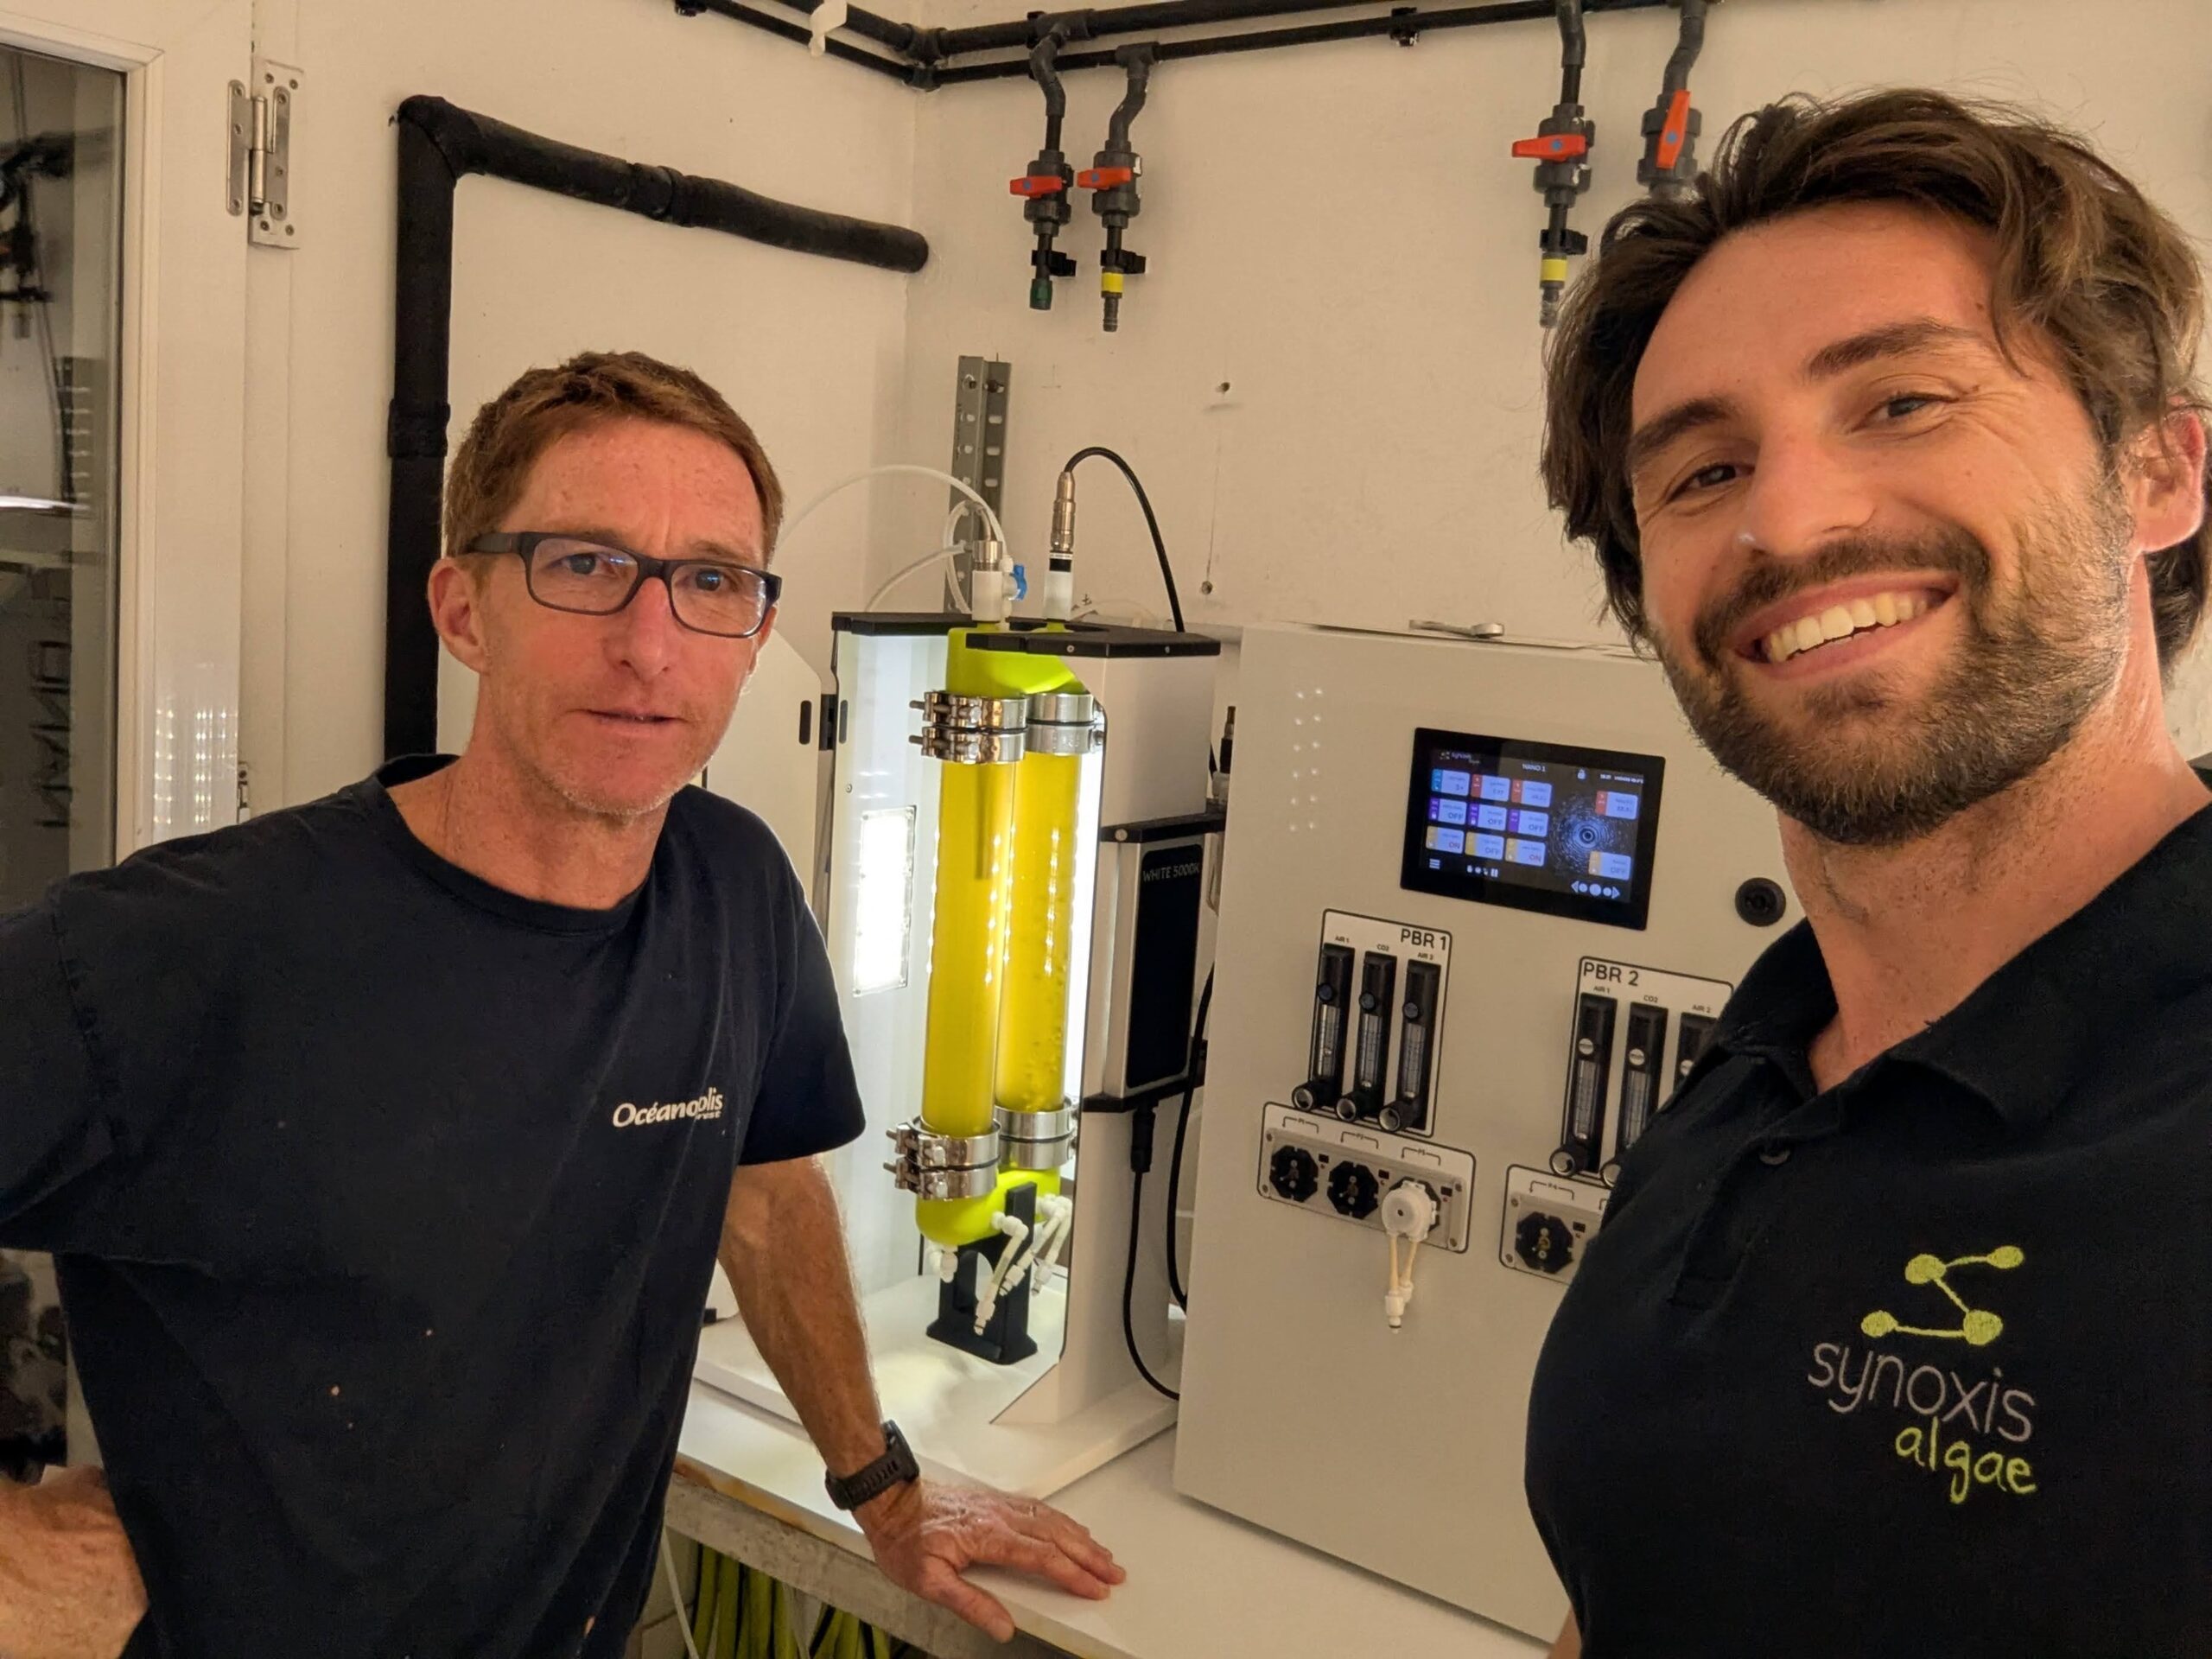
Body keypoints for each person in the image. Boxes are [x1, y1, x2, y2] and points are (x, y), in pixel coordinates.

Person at [0, 351, 1122, 1659]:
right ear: (464, 611)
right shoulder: (202, 948)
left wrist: (885, 1487)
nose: (650, 645)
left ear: (757, 636)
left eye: (711, 581)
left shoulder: (736, 892)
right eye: (584, 565)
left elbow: (764, 1197)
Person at [1526, 89, 2211, 1658]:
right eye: (1703, 473)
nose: (1787, 518)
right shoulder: (1758, 1072)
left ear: (2159, 473)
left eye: (1901, 400)